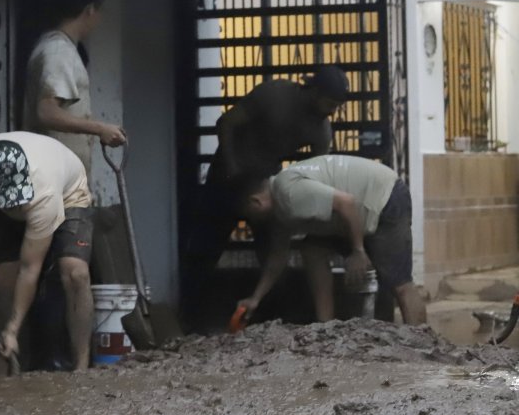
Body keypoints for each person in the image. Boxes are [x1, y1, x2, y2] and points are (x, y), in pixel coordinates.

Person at [182, 66, 349, 328]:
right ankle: (192, 319)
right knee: (205, 249)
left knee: (274, 251)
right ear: (314, 91)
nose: (331, 111)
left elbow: (316, 172)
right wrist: (231, 165)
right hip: (228, 176)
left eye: (337, 106)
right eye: (329, 103)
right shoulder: (275, 95)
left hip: (265, 181)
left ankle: (269, 321)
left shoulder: (321, 130)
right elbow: (226, 123)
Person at [0, 131, 95, 372]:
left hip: (68, 195)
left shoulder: (45, 194)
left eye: (17, 197)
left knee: (75, 272)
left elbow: (30, 269)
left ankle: (81, 367)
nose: (16, 204)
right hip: (6, 203)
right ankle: (4, 370)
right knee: (1, 281)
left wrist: (13, 328)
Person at [235, 154, 426, 326]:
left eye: (250, 216)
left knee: (400, 283)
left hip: (384, 197)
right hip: (360, 211)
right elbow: (277, 258)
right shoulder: (280, 210)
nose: (252, 224)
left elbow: (346, 203)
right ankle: (326, 326)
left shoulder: (287, 191)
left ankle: (423, 347)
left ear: (256, 202)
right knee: (312, 248)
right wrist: (255, 298)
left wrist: (357, 251)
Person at [23, 0, 126, 177]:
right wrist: (99, 128)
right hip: (53, 175)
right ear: (89, 10)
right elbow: (46, 112)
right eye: (99, 11)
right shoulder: (58, 51)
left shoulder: (62, 49)